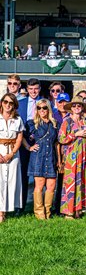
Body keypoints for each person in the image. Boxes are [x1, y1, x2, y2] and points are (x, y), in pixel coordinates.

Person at [58, 96, 86, 219]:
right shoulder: (67, 121)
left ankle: (78, 209)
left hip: (84, 156)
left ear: (82, 107)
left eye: (79, 105)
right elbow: (61, 139)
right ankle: (68, 211)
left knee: (81, 181)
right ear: (71, 108)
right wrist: (75, 134)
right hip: (71, 157)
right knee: (70, 182)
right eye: (74, 106)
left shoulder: (85, 122)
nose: (77, 108)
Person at [23, 99, 57, 220]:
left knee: (51, 185)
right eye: (39, 108)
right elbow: (21, 135)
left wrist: (60, 159)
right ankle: (39, 213)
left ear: (48, 109)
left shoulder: (54, 124)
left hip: (51, 157)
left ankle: (47, 212)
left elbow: (57, 143)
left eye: (44, 108)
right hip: (38, 157)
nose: (42, 110)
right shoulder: (32, 123)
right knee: (39, 185)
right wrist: (28, 147)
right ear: (36, 110)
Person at [17, 78, 43, 213]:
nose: (33, 91)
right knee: (23, 174)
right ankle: (20, 206)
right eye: (31, 89)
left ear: (39, 89)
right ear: (27, 89)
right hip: (23, 141)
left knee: (40, 175)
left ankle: (39, 206)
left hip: (40, 141)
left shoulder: (45, 103)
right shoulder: (20, 103)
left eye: (36, 89)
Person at [0, 93, 24, 222]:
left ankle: (7, 209)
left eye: (11, 103)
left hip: (13, 152)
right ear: (1, 103)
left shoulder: (17, 119)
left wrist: (12, 153)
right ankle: (0, 212)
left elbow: (19, 138)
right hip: (0, 150)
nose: (8, 105)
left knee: (10, 181)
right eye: (5, 102)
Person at [52, 92, 70, 215]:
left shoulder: (72, 116)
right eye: (60, 102)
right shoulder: (53, 116)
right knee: (56, 181)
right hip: (54, 151)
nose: (62, 104)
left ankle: (66, 207)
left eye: (65, 102)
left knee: (66, 180)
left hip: (69, 152)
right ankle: (56, 207)